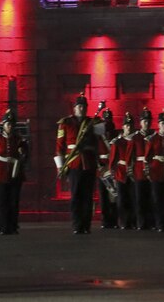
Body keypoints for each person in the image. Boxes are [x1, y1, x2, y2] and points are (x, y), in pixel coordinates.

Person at [54, 94, 101, 234]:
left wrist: (101, 163)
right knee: (76, 196)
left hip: (89, 163)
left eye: (84, 106)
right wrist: (60, 166)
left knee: (88, 196)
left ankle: (86, 225)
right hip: (73, 164)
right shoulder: (66, 123)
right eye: (79, 106)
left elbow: (102, 142)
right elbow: (59, 146)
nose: (82, 109)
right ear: (74, 108)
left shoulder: (94, 122)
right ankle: (76, 225)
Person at [0, 108, 28, 234]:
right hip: (0, 174)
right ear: (3, 125)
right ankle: (4, 227)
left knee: (13, 202)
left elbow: (26, 155)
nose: (10, 126)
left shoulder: (18, 139)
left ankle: (13, 226)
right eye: (7, 124)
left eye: (11, 124)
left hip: (15, 173)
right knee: (2, 202)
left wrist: (23, 152)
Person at [110, 112, 138, 230]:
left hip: (134, 172)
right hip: (121, 172)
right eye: (126, 125)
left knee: (133, 197)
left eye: (130, 125)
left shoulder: (137, 140)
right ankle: (123, 222)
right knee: (122, 199)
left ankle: (133, 221)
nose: (128, 127)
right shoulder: (117, 142)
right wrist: (113, 173)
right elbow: (113, 159)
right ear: (123, 126)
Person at [131, 107, 155, 231]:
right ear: (140, 122)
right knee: (140, 198)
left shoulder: (154, 136)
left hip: (153, 170)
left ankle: (152, 222)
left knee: (152, 198)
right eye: (145, 121)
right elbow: (130, 155)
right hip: (139, 171)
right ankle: (141, 222)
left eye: (149, 121)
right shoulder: (135, 137)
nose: (147, 123)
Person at [97, 104, 119, 229]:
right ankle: (105, 220)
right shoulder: (99, 135)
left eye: (109, 119)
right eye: (105, 119)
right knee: (103, 197)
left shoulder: (116, 133)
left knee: (114, 196)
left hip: (112, 168)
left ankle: (114, 219)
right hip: (102, 169)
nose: (107, 122)